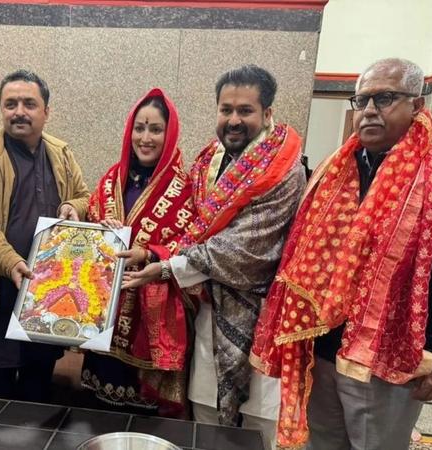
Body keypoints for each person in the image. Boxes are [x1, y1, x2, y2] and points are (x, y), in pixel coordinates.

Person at [250, 57, 432, 449]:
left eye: (384, 98)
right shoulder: (336, 172)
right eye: (361, 100)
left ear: (417, 106)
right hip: (323, 348)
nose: (368, 111)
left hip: (390, 361)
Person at [124, 65, 306, 449]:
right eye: (226, 110)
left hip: (257, 317)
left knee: (255, 427)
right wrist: (152, 252)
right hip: (206, 312)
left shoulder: (283, 169)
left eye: (245, 110)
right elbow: (187, 229)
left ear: (267, 113)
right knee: (204, 415)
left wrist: (166, 267)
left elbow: (244, 249)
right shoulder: (208, 161)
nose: (234, 120)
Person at [0, 69, 91, 402]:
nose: (19, 111)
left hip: (47, 297)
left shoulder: (61, 153)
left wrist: (72, 205)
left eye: (29, 103)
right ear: (1, 109)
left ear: (46, 111)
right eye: (11, 103)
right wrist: (10, 262)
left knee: (38, 389)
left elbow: (84, 195)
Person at [81, 88, 195, 417]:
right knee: (96, 418)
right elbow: (89, 226)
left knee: (143, 427)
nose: (145, 137)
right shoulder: (109, 180)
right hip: (103, 322)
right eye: (139, 128)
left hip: (149, 326)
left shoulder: (185, 187)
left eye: (156, 129)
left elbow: (192, 244)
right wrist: (102, 227)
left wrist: (149, 254)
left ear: (170, 133)